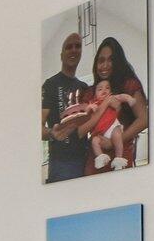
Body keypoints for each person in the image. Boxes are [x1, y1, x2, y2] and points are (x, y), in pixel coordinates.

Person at [83, 36, 148, 171]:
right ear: (96, 64)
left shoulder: (129, 84)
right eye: (101, 61)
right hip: (96, 158)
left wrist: (114, 142)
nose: (105, 65)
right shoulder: (90, 92)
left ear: (118, 62)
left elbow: (144, 119)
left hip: (121, 156)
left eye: (111, 60)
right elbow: (83, 125)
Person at [42, 31, 91, 181]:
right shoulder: (50, 84)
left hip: (85, 158)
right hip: (61, 162)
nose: (74, 50)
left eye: (78, 46)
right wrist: (52, 133)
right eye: (69, 47)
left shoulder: (84, 87)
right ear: (62, 55)